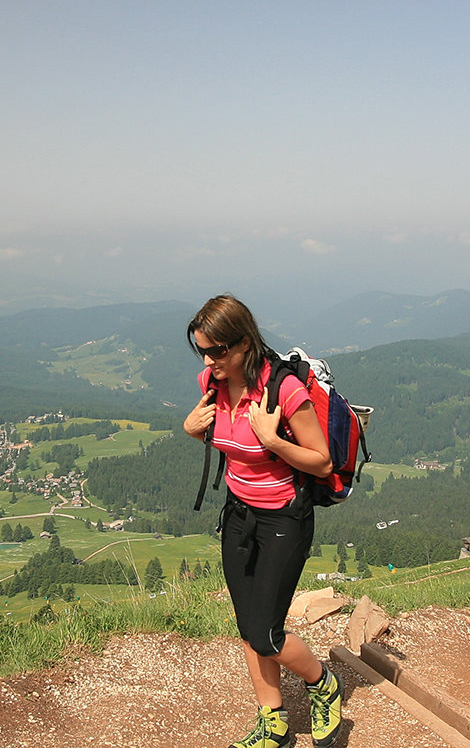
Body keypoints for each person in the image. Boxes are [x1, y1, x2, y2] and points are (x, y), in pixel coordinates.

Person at [182, 295, 343, 748]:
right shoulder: (211, 382)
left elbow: (322, 463)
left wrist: (273, 439)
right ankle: (273, 722)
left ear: (245, 343)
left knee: (266, 633)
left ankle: (322, 684)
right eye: (203, 351)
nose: (210, 361)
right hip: (238, 515)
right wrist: (191, 429)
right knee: (247, 626)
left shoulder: (284, 391)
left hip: (283, 521)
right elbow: (219, 434)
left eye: (219, 351)